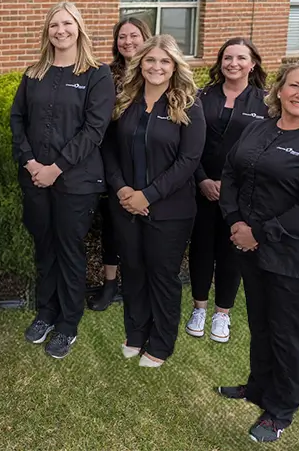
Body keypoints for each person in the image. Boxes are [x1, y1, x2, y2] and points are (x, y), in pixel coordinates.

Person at [217, 59, 299, 443]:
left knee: (290, 338)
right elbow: (231, 173)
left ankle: (280, 411)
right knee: (261, 326)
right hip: (251, 250)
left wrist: (258, 233)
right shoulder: (258, 128)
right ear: (278, 90)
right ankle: (258, 388)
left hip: (295, 258)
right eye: (294, 85)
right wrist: (234, 221)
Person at [11, 1, 115, 359]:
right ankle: (46, 311)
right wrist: (29, 162)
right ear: (47, 31)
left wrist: (55, 168)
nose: (61, 30)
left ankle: (68, 324)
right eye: (54, 25)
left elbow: (94, 130)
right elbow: (17, 119)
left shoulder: (97, 75)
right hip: (35, 178)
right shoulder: (33, 73)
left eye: (67, 24)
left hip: (76, 182)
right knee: (45, 248)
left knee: (69, 251)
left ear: (79, 28)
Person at [103, 34, 205, 368]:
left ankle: (160, 343)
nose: (156, 67)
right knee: (132, 271)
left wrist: (148, 194)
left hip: (170, 210)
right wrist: (121, 190)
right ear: (139, 63)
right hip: (125, 205)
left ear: (175, 65)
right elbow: (109, 149)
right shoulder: (125, 100)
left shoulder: (188, 104)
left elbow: (188, 161)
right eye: (150, 60)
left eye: (164, 61)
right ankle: (135, 332)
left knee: (161, 276)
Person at [185, 38, 268, 343]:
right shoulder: (200, 97)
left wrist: (232, 187)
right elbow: (189, 144)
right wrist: (202, 180)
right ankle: (199, 308)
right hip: (202, 186)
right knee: (202, 248)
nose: (233, 63)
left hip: (243, 193)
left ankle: (222, 314)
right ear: (219, 62)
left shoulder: (267, 102)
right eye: (227, 57)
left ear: (252, 63)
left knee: (231, 250)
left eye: (241, 58)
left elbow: (266, 149)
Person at [88, 16, 152, 312]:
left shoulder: (158, 70)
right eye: (122, 37)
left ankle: (138, 283)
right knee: (113, 227)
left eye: (134, 36)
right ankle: (110, 284)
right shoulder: (106, 74)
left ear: (146, 37)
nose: (128, 42)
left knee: (148, 227)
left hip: (150, 162)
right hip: (113, 160)